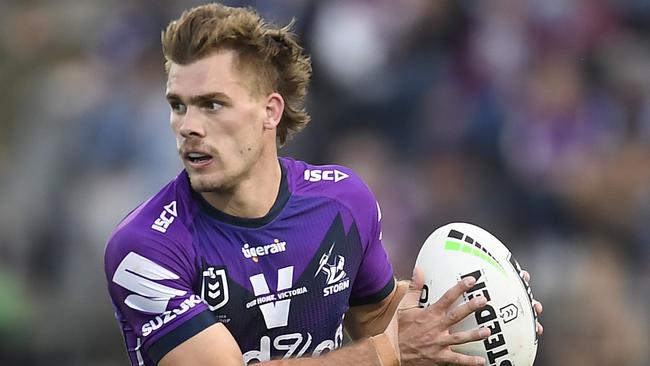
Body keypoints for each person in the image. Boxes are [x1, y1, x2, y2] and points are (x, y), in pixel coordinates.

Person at [104, 3, 542, 366]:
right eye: (178, 106)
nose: (188, 127)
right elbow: (386, 346)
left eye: (212, 105)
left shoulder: (342, 201)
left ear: (270, 112)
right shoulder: (145, 249)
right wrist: (388, 352)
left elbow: (378, 314)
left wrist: (476, 309)